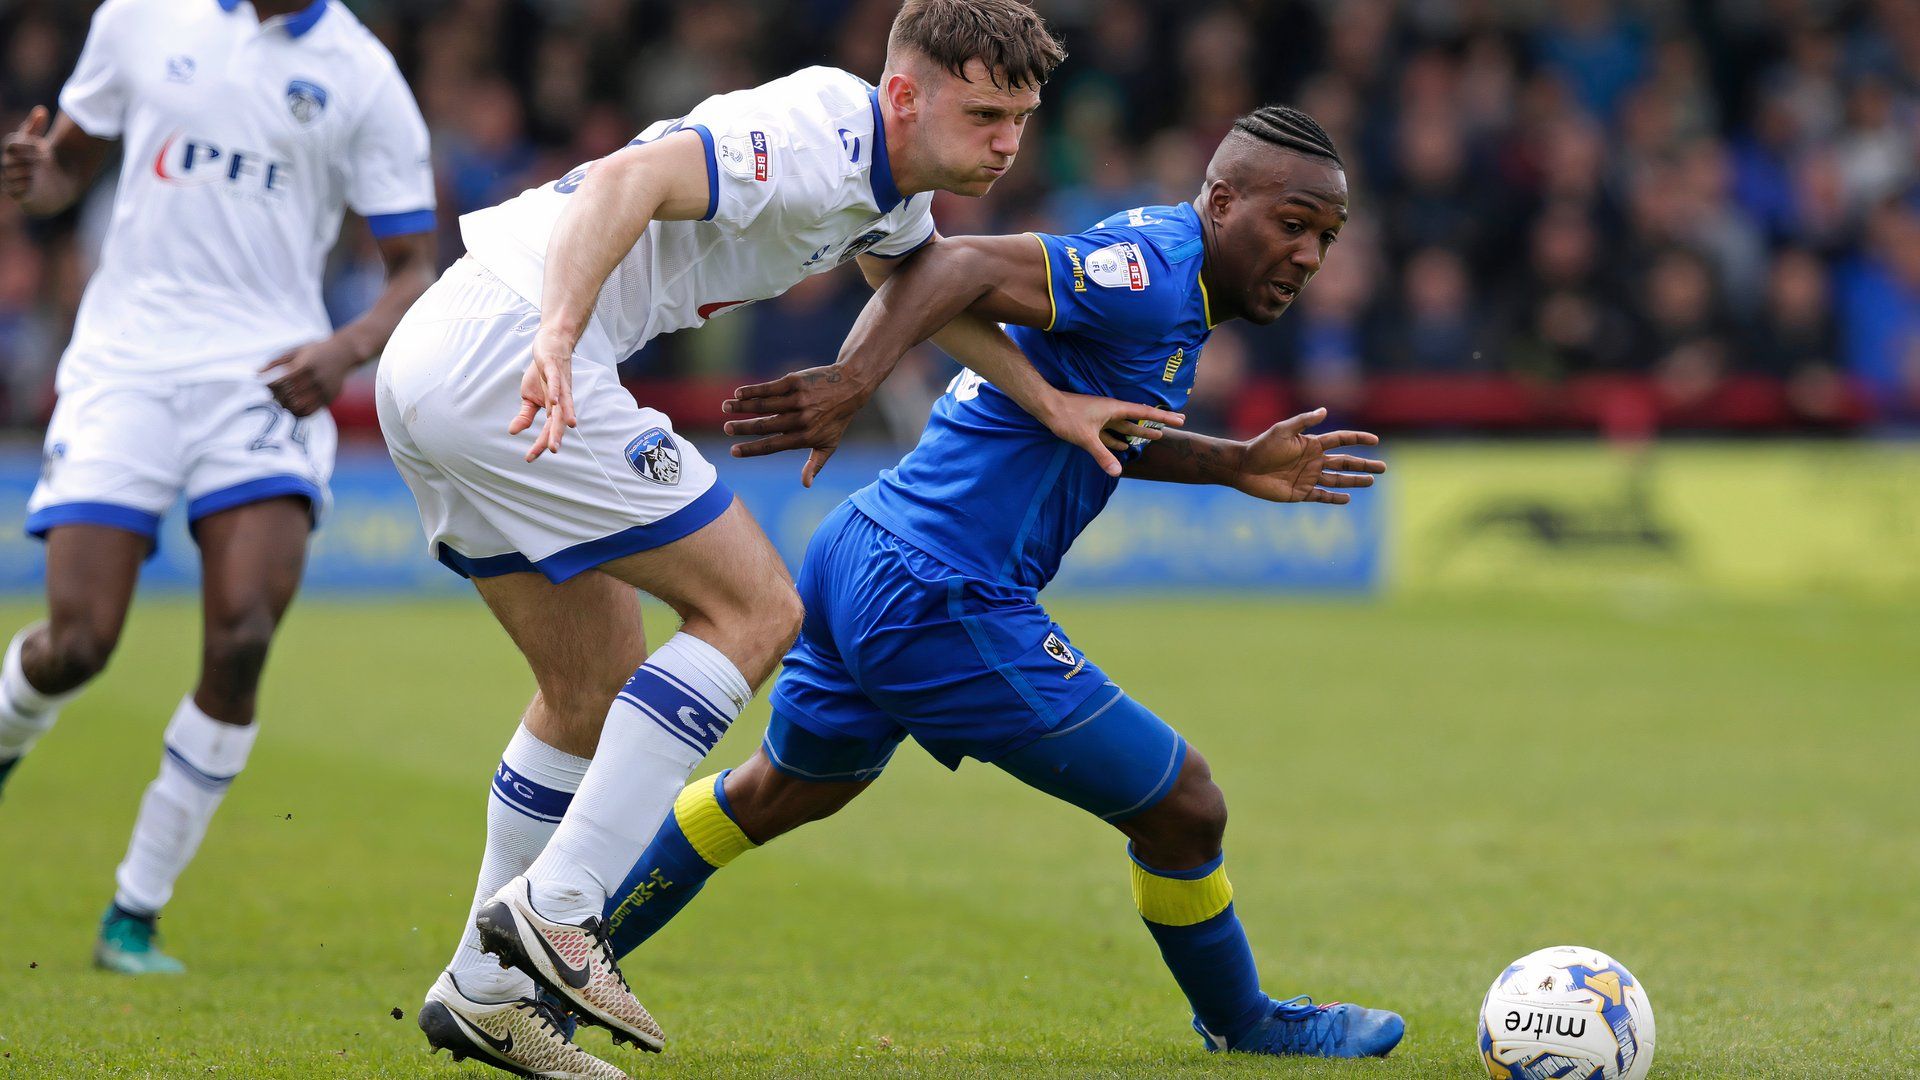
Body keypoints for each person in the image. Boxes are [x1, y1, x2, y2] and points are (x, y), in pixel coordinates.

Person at [379, 4, 1177, 1076]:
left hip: (439, 362)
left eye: (1022, 120)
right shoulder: (816, 135)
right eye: (984, 113)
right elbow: (627, 179)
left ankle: (485, 992)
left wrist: (1051, 401)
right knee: (758, 610)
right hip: (516, 350)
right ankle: (561, 908)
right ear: (904, 96)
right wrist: (562, 339)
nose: (1005, 143)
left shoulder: (885, 191)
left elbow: (919, 285)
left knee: (590, 687)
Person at [599, 105, 1407, 1060]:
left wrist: (1234, 466)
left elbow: (1092, 425)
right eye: (1293, 223)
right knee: (1185, 803)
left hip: (865, 547)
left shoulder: (1168, 288)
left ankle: (555, 960)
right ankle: (1246, 1025)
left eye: (1327, 237)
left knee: (781, 790)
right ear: (1223, 201)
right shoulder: (1149, 274)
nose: (1309, 255)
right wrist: (855, 380)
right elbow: (953, 265)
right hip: (941, 592)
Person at [0, 0, 436, 974]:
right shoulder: (139, 18)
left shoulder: (362, 73)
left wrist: (347, 349)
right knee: (79, 643)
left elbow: (413, 264)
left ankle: (134, 911)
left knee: (240, 637)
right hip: (126, 364)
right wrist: (37, 179)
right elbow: (71, 160)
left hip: (267, 371)